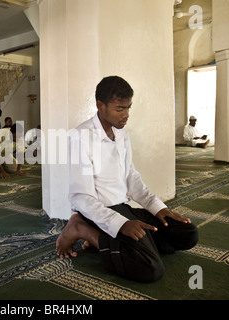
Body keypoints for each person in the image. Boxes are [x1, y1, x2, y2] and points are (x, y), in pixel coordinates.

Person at [56, 76, 198, 283]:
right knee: (150, 269)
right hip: (97, 212)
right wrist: (120, 224)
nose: (126, 115)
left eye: (128, 108)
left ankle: (116, 243)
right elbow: (80, 197)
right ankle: (81, 229)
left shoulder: (121, 133)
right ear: (100, 105)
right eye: (120, 109)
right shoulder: (81, 137)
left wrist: (159, 209)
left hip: (123, 208)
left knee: (187, 233)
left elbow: (131, 176)